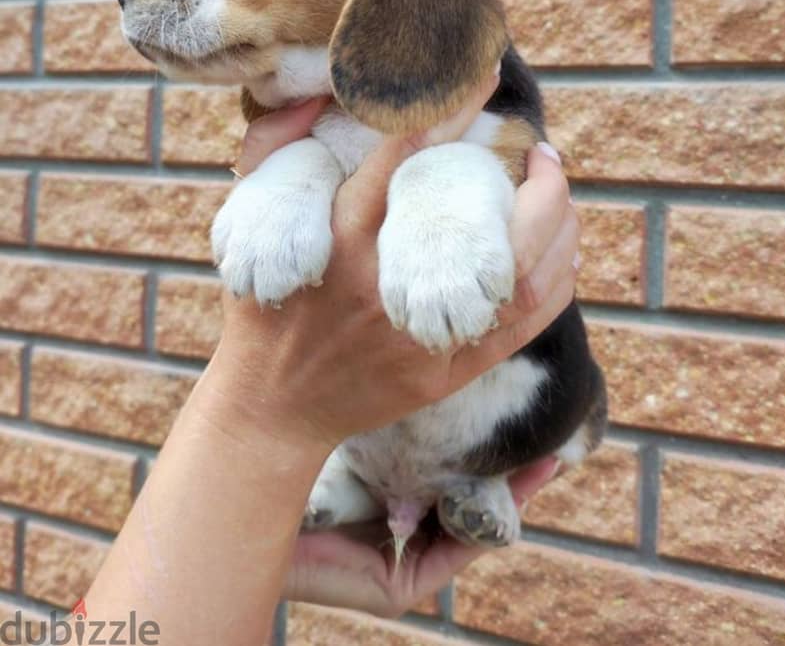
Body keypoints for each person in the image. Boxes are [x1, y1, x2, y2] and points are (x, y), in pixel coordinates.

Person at [79, 73, 579, 645]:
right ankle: (352, 487)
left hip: (506, 438)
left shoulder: (474, 92)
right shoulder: (317, 112)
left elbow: (500, 158)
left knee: (578, 416)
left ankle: (455, 485)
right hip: (360, 454)